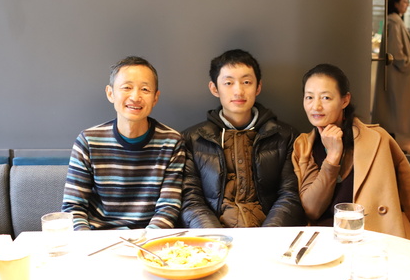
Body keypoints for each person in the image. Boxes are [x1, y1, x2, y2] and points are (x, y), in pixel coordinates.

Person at [293, 63, 410, 254]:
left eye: (326, 97)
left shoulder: (378, 139)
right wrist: (332, 158)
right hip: (324, 244)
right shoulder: (304, 146)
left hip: (374, 241)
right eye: (309, 97)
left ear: (344, 100)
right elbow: (312, 209)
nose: (316, 106)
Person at [180, 49, 305, 228]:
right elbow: (190, 200)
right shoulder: (192, 139)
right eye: (228, 83)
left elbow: (290, 195)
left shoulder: (285, 136)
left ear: (258, 87)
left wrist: (269, 236)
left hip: (270, 234)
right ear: (214, 88)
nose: (238, 91)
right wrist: (215, 237)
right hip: (214, 236)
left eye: (246, 82)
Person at [62, 56, 185, 230]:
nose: (135, 97)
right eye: (127, 87)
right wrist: (87, 240)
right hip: (98, 237)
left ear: (155, 98)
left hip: (149, 238)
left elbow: (168, 207)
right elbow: (73, 207)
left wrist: (147, 241)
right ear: (110, 93)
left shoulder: (171, 142)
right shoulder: (88, 141)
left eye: (145, 89)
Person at [371, 0, 410, 153]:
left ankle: (394, 144)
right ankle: (394, 146)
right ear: (396, 3)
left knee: (393, 110)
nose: (407, 5)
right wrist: (407, 63)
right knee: (395, 110)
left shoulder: (394, 21)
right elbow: (396, 53)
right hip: (397, 75)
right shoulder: (394, 23)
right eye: (404, 1)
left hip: (396, 73)